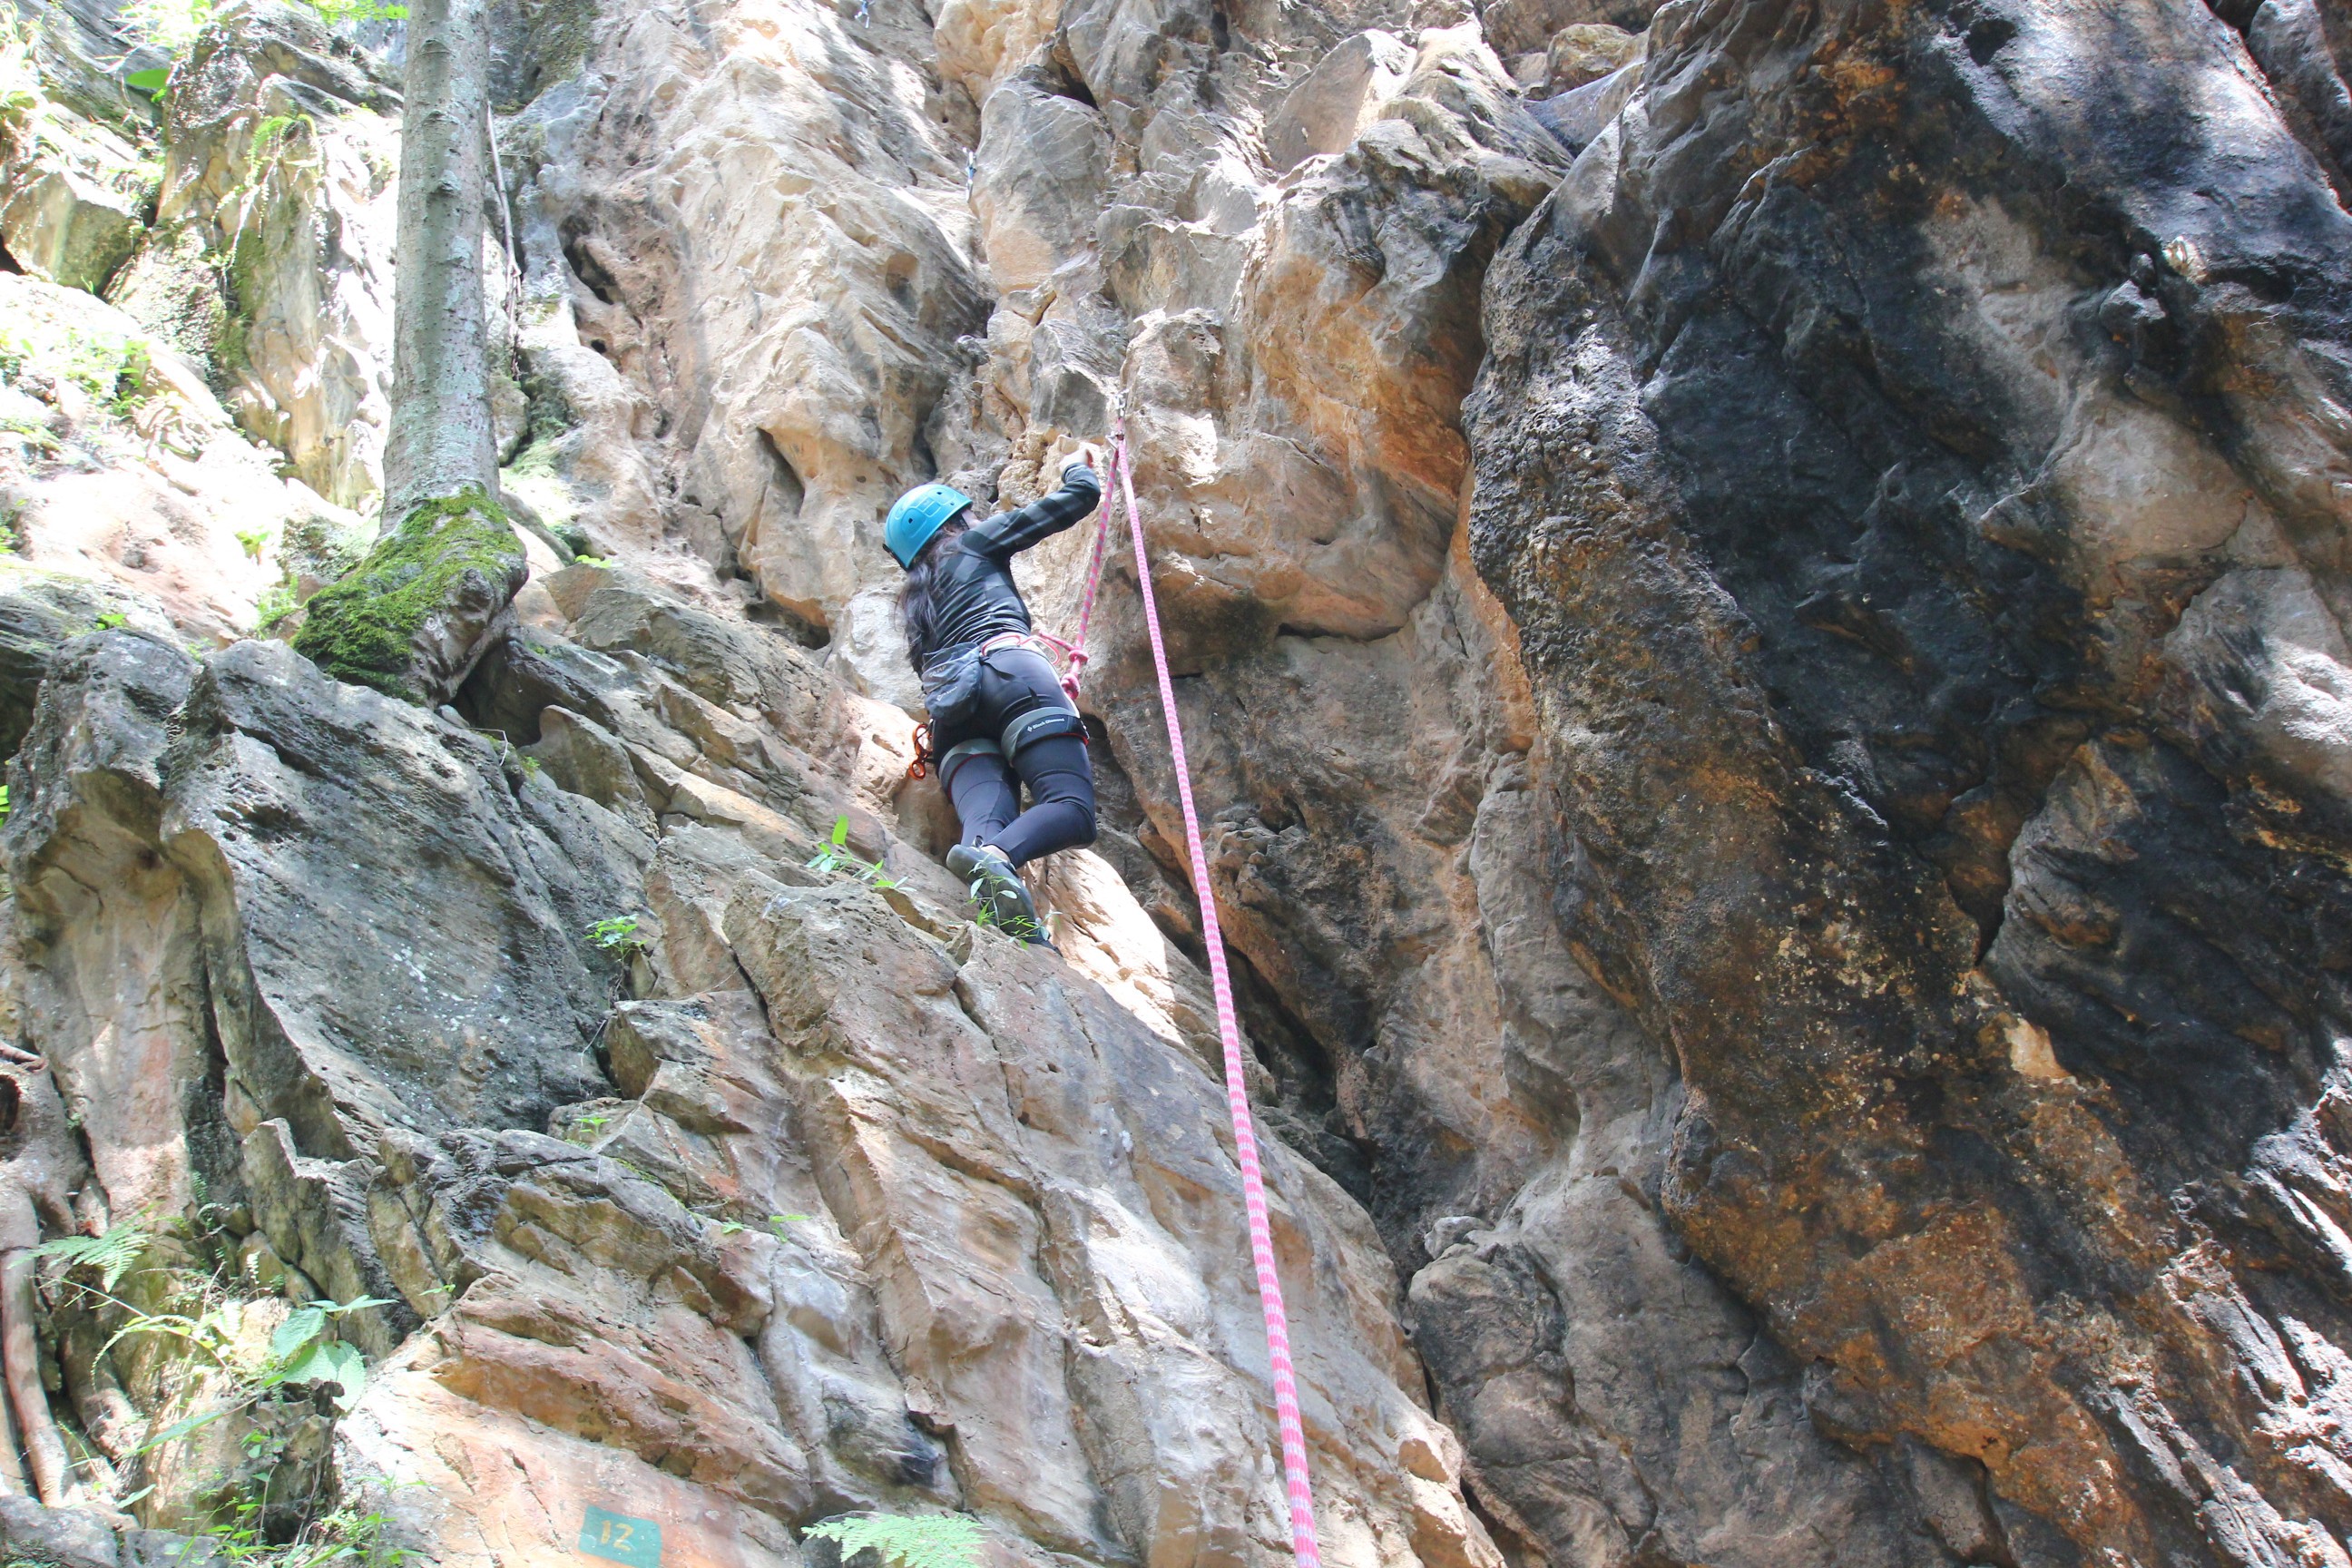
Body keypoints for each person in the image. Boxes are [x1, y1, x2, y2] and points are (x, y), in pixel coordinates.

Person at [887, 447, 1102, 943]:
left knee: (985, 820)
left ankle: (1004, 920)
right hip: (1010, 675)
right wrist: (1077, 465)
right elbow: (1080, 498)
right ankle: (997, 859)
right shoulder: (970, 545)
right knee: (1071, 808)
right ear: (955, 520)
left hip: (952, 723)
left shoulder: (918, 612)